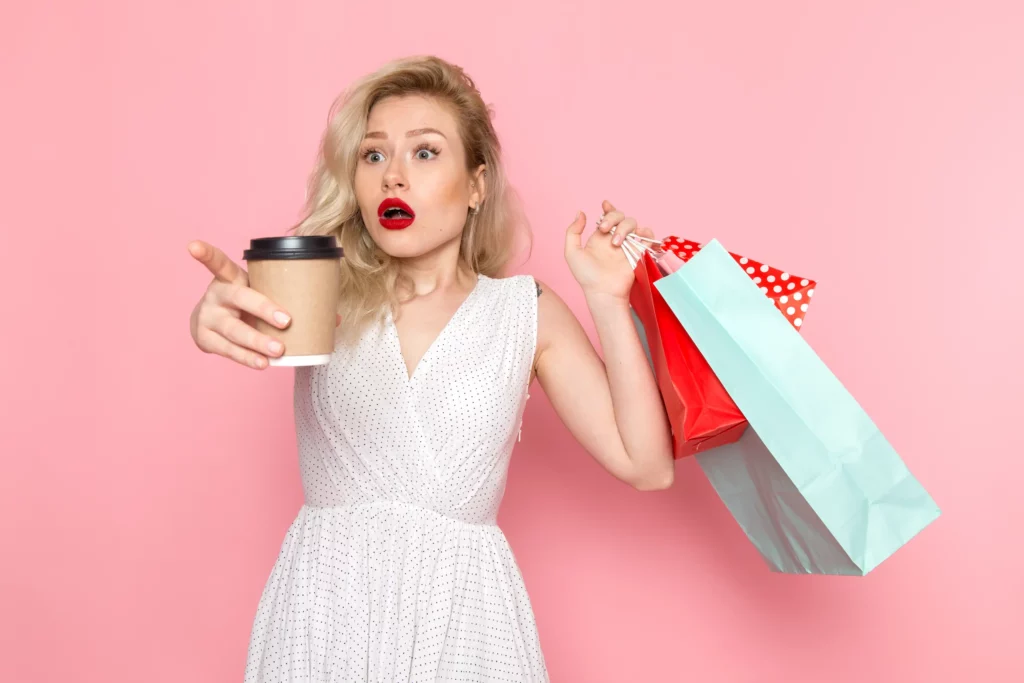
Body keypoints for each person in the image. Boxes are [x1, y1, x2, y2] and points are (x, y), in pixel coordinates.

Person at [188, 55, 673, 682]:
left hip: (466, 623)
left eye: (424, 153)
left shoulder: (524, 313)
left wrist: (608, 300)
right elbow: (243, 314)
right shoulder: (320, 290)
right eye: (373, 156)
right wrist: (208, 318)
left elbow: (648, 465)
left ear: (476, 186)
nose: (393, 177)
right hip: (324, 613)